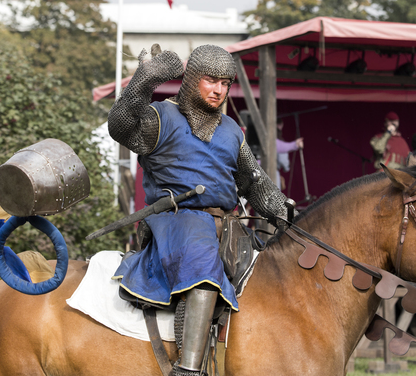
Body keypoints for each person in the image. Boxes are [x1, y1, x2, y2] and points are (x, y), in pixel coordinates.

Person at [108, 44, 290, 376]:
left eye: (225, 83)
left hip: (228, 226)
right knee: (203, 271)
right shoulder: (161, 117)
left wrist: (280, 209)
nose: (219, 90)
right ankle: (188, 371)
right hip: (178, 220)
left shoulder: (232, 130)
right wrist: (145, 80)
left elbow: (253, 180)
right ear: (192, 80)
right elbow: (120, 126)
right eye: (211, 81)